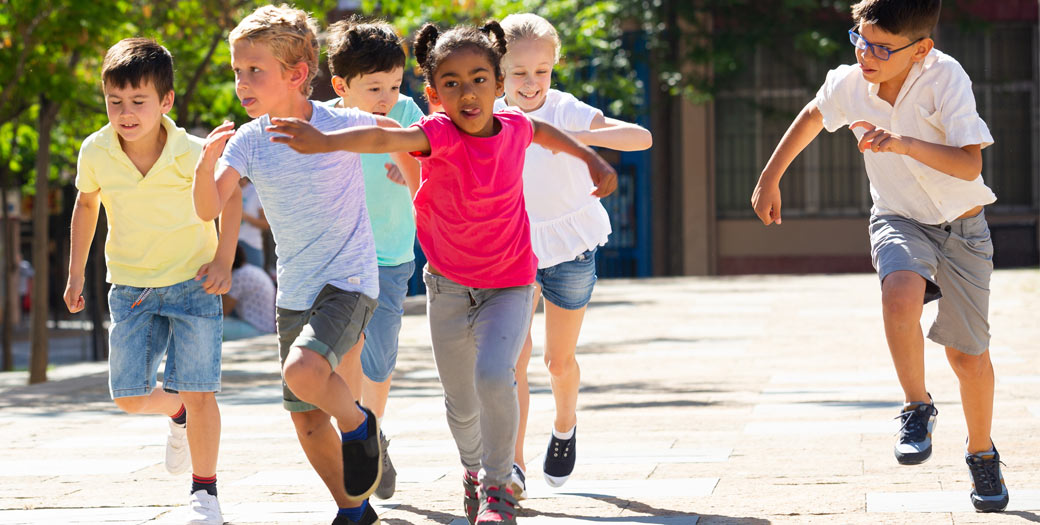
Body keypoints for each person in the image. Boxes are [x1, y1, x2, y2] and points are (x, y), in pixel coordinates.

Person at [264, 20, 618, 525]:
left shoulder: (516, 128)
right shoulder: (436, 134)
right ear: (434, 95)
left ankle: (499, 488)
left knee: (496, 375)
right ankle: (473, 472)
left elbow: (545, 131)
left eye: (479, 79)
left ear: (499, 86)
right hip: (448, 285)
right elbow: (379, 137)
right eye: (451, 83)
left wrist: (591, 159)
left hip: (511, 281)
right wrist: (325, 141)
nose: (467, 92)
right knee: (459, 401)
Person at [750, 0, 1008, 512]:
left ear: (921, 50)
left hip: (963, 229)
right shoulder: (851, 82)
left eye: (881, 48)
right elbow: (812, 116)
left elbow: (968, 162)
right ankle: (917, 406)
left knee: (967, 356)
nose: (866, 54)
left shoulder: (946, 78)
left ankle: (982, 453)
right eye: (860, 39)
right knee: (899, 293)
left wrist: (905, 144)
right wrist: (769, 177)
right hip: (898, 216)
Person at [191, 5, 415, 525]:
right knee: (307, 421)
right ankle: (353, 511)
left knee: (304, 369)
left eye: (255, 71)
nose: (242, 83)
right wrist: (206, 163)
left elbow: (399, 137)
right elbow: (207, 206)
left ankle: (360, 427)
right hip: (294, 292)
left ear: (296, 74)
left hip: (351, 282)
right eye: (237, 72)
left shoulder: (343, 122)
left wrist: (418, 194)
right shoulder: (248, 141)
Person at [63, 38, 241, 524]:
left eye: (138, 101)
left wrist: (225, 259)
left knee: (201, 391)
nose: (125, 112)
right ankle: (175, 413)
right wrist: (76, 271)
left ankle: (205, 494)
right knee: (128, 396)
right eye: (114, 101)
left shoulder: (193, 152)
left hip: (194, 284)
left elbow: (229, 198)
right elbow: (86, 205)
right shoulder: (96, 150)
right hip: (131, 288)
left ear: (165, 101)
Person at [496, 12, 653, 497]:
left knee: (557, 362)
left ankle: (565, 426)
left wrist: (571, 138)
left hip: (569, 246)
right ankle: (513, 466)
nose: (531, 82)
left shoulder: (564, 110)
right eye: (519, 72)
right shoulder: (489, 112)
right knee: (511, 361)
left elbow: (640, 137)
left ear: (554, 67)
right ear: (500, 71)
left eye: (541, 71)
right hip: (512, 246)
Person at [322, 16, 425, 500]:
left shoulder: (408, 116)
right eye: (374, 88)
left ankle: (372, 429)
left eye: (394, 85)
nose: (387, 97)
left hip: (390, 258)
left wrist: (410, 175)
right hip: (338, 262)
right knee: (346, 360)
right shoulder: (321, 121)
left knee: (379, 362)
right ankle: (360, 437)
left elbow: (433, 177)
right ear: (342, 86)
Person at [222, 245, 275, 340]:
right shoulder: (250, 270)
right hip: (266, 328)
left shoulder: (239, 276)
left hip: (257, 330)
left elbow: (223, 311)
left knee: (212, 326)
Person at [237, 177, 268, 268]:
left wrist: (244, 216)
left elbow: (266, 224)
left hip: (251, 244)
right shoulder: (226, 188)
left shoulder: (256, 192)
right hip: (230, 245)